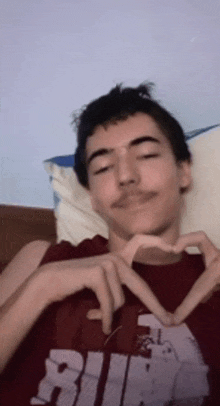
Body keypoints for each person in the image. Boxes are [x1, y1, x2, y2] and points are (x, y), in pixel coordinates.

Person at [1, 84, 220, 405]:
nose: (126, 176)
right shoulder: (41, 259)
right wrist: (41, 287)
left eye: (146, 154)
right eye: (103, 167)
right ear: (92, 198)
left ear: (183, 171)